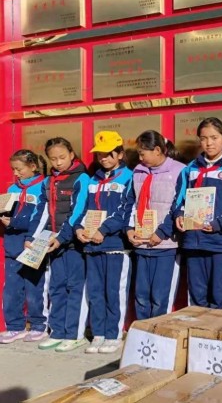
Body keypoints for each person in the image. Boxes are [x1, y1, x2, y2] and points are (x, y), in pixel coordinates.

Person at [172, 117, 222, 309]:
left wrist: (218, 224)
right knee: (197, 299)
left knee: (219, 298)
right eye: (204, 138)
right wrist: (179, 215)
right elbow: (180, 199)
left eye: (214, 138)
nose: (209, 143)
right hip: (194, 241)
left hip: (221, 243)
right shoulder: (190, 169)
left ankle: (218, 330)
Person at [26, 138, 90, 352]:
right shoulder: (48, 181)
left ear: (71, 154)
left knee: (75, 288)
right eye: (53, 159)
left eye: (62, 157)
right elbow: (42, 212)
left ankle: (74, 334)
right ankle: (58, 332)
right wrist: (32, 237)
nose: (58, 162)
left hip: (73, 244)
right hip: (52, 244)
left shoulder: (82, 178)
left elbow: (78, 212)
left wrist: (62, 238)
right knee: (56, 288)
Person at [74, 131, 133, 354]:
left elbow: (125, 211)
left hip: (115, 247)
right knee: (96, 292)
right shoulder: (93, 180)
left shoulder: (128, 177)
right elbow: (83, 208)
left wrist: (104, 230)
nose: (104, 158)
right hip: (91, 246)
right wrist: (79, 228)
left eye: (108, 154)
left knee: (114, 292)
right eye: (100, 154)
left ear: (120, 154)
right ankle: (98, 333)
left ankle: (114, 334)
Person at [124, 130, 185, 319]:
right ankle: (142, 332)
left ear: (157, 150)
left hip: (165, 244)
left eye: (143, 154)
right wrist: (129, 229)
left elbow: (180, 205)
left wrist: (162, 232)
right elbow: (130, 202)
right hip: (141, 243)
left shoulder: (180, 171)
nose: (140, 158)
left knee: (160, 297)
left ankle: (158, 333)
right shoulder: (138, 171)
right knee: (141, 296)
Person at [0, 150, 48, 344]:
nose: (16, 173)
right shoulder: (13, 188)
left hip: (33, 243)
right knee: (11, 289)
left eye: (19, 169)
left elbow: (41, 217)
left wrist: (15, 222)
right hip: (13, 244)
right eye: (13, 169)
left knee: (34, 288)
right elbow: (7, 214)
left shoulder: (44, 186)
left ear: (33, 166)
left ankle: (38, 326)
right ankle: (15, 327)